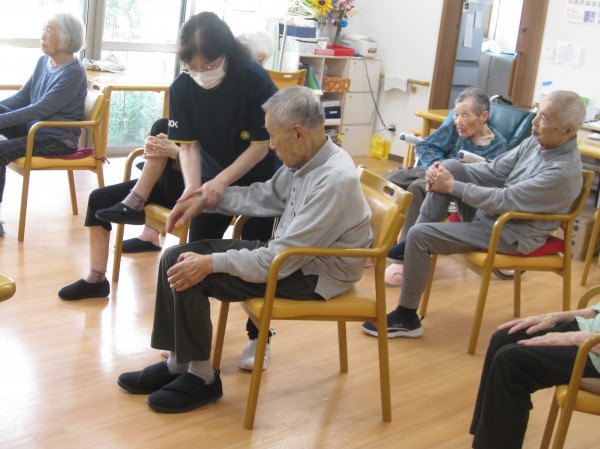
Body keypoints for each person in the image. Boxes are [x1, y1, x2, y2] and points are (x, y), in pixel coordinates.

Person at [116, 86, 372, 414]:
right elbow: (266, 196)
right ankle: (178, 365)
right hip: (289, 255)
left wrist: (211, 263)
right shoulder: (307, 158)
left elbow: (279, 260)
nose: (271, 145)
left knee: (192, 271)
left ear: (298, 134)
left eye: (273, 136)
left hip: (314, 274)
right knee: (174, 257)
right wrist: (206, 198)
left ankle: (203, 379)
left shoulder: (333, 179)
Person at [59, 12, 281, 370]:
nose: (201, 73)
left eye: (208, 65)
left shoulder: (254, 80)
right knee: (192, 259)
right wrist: (193, 186)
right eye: (193, 67)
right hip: (210, 177)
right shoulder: (183, 87)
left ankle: (259, 337)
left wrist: (219, 181)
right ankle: (188, 345)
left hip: (260, 180)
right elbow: (189, 145)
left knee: (256, 258)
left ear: (225, 53)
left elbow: (260, 146)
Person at [362, 90, 586, 339]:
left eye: (544, 118)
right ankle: (409, 248)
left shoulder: (561, 172)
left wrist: (452, 186)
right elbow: (494, 171)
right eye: (537, 113)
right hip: (492, 217)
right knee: (452, 165)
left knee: (420, 235)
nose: (534, 122)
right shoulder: (536, 142)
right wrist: (444, 172)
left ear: (568, 130)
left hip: (511, 232)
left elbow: (504, 200)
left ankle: (407, 318)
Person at [383, 87, 508, 286]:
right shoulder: (455, 128)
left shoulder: (498, 146)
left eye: (465, 115)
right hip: (433, 170)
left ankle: (405, 259)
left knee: (417, 188)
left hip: (458, 187)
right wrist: (437, 166)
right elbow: (426, 145)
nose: (458, 120)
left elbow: (491, 180)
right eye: (456, 114)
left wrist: (445, 173)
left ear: (483, 116)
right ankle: (373, 242)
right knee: (386, 182)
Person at [0, 12, 87, 237]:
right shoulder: (43, 62)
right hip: (36, 129)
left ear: (66, 38)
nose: (43, 35)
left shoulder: (74, 72)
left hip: (58, 139)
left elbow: (41, 109)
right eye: (43, 30)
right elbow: (22, 97)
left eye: (49, 31)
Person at [470, 304, 600, 449]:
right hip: (590, 332)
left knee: (511, 363)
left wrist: (576, 338)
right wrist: (557, 317)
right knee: (502, 337)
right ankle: (487, 443)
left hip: (594, 348)